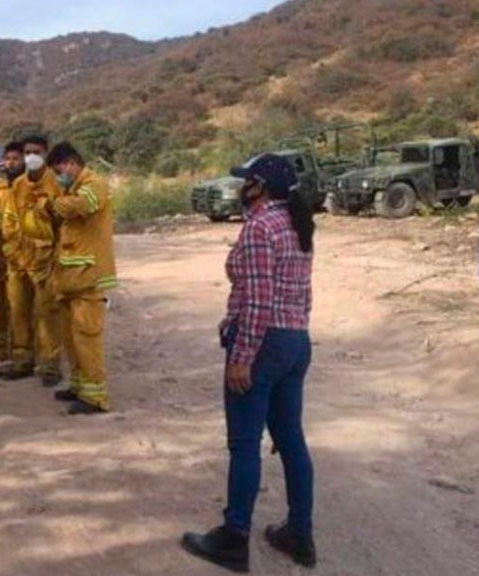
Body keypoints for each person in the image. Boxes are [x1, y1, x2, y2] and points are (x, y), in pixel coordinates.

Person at [182, 153, 317, 573]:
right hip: (294, 340)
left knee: (244, 443)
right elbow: (302, 294)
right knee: (291, 439)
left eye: (246, 181)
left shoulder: (260, 226)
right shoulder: (297, 224)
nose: (241, 187)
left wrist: (242, 358)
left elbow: (258, 300)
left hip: (262, 341)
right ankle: (299, 533)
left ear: (259, 186)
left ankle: (234, 537)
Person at [42, 142, 117, 414]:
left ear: (72, 163)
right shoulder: (71, 188)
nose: (58, 175)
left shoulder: (94, 184)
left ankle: (96, 397)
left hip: (89, 279)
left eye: (59, 170)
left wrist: (54, 203)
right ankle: (79, 386)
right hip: (71, 280)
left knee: (87, 338)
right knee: (72, 339)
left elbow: (81, 206)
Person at [0, 135, 63, 386]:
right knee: (18, 311)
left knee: (47, 313)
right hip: (18, 261)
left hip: (45, 260)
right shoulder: (17, 186)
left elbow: (63, 224)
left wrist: (55, 253)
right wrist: (12, 250)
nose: (31, 157)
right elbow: (9, 219)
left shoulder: (57, 184)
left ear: (46, 153)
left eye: (36, 151)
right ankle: (21, 361)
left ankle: (49, 366)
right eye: (27, 152)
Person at [0, 141, 25, 364]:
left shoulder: (29, 185)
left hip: (22, 256)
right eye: (8, 158)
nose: (10, 162)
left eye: (15, 158)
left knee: (20, 307)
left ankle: (23, 350)